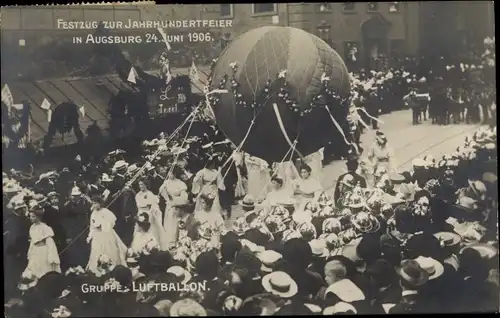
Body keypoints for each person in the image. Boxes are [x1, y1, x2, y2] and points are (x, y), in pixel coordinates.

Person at [86, 196, 127, 274]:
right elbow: (92, 225)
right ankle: (97, 269)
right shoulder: (93, 213)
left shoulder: (105, 211)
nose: (94, 205)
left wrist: (103, 224)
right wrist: (90, 235)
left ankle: (111, 267)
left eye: (96, 203)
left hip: (106, 234)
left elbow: (112, 222)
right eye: (93, 203)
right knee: (96, 251)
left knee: (109, 250)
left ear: (100, 203)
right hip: (97, 235)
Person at [25, 209, 61, 278]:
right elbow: (32, 241)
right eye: (30, 216)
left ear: (38, 217)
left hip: (43, 251)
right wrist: (30, 252)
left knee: (44, 269)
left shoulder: (44, 227)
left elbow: (50, 243)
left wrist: (52, 256)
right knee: (33, 269)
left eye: (33, 216)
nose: (31, 218)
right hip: (35, 251)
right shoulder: (32, 227)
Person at [159, 167, 189, 246]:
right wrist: (167, 199)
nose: (169, 175)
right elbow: (161, 191)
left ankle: (177, 241)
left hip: (178, 207)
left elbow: (184, 198)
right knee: (169, 224)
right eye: (168, 173)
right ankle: (169, 242)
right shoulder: (166, 182)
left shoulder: (180, 183)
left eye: (171, 173)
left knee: (176, 224)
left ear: (175, 174)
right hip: (169, 206)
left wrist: (175, 201)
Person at [135, 179, 167, 250]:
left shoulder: (150, 194)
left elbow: (149, 205)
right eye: (139, 185)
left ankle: (151, 246)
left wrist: (148, 205)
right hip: (140, 213)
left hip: (148, 214)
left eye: (142, 184)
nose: (141, 186)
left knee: (150, 230)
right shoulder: (138, 194)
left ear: (146, 185)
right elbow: (138, 204)